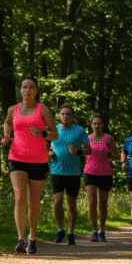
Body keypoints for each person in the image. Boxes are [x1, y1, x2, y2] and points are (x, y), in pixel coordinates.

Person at [1, 77, 58, 254]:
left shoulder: (43, 110)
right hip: (16, 157)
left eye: (31, 87)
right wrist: (7, 135)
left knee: (34, 202)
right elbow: (7, 122)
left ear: (36, 91)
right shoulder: (13, 109)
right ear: (21, 90)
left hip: (38, 160)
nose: (28, 90)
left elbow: (55, 134)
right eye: (25, 87)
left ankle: (32, 237)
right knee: (20, 198)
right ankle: (20, 239)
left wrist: (42, 134)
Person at [50, 104, 91, 246]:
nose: (65, 116)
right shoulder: (53, 130)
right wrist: (50, 153)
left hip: (73, 172)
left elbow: (88, 150)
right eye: (63, 114)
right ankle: (60, 229)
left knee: (71, 204)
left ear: (72, 116)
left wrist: (78, 152)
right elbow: (50, 147)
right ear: (59, 115)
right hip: (56, 171)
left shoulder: (80, 130)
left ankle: (70, 233)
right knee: (57, 201)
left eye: (68, 114)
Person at [84, 114, 117, 242]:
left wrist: (108, 154)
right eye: (94, 123)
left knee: (102, 204)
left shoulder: (108, 138)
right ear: (91, 125)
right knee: (92, 203)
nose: (97, 125)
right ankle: (94, 231)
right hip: (90, 172)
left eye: (99, 123)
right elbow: (84, 153)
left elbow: (117, 155)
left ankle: (102, 230)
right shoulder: (87, 138)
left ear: (103, 125)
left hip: (105, 174)